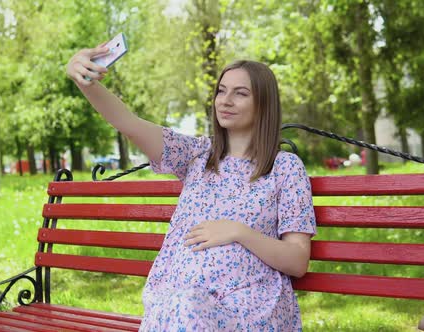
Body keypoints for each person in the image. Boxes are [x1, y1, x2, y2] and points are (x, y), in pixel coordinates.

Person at [66, 44, 317, 331]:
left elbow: (298, 260)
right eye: (221, 91)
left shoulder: (285, 168)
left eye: (241, 93)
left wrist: (238, 232)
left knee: (187, 308)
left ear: (264, 104)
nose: (226, 100)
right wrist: (84, 82)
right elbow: (129, 123)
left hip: (249, 310)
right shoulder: (197, 154)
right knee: (185, 306)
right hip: (177, 305)